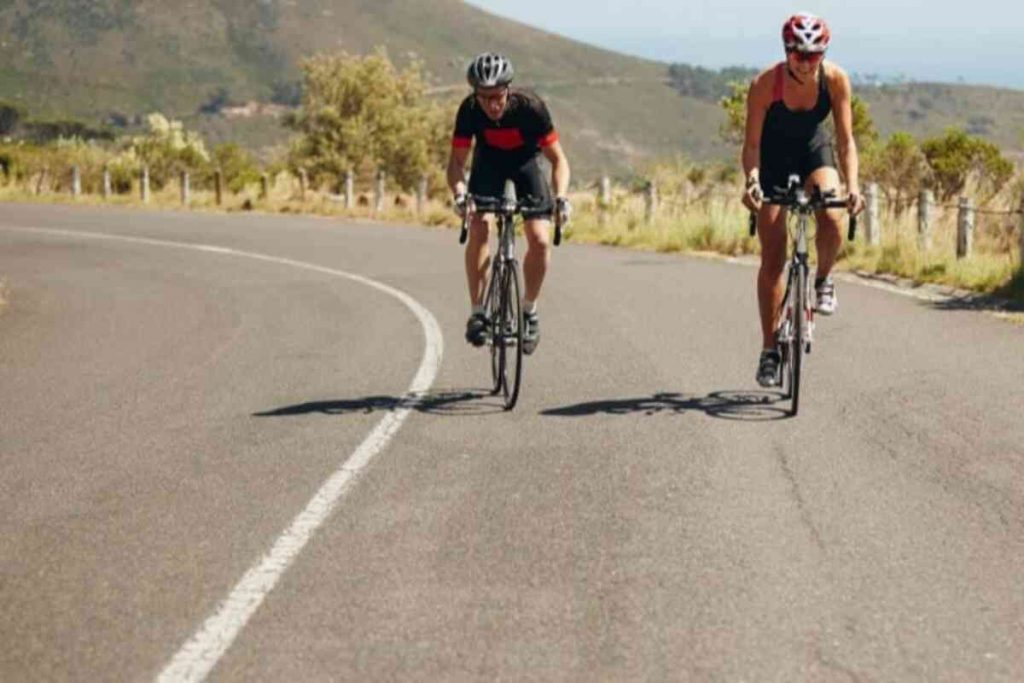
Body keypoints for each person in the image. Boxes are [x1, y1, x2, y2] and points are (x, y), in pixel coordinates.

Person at [741, 13, 866, 387]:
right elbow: (751, 146)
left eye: (816, 55)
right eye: (800, 56)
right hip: (774, 158)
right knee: (773, 257)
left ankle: (824, 279)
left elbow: (845, 142)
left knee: (831, 214)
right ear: (787, 52)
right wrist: (752, 180)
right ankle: (769, 351)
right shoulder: (765, 84)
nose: (808, 63)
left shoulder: (835, 80)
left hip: (814, 149)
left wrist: (853, 185)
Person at [446, 53, 572, 355]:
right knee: (479, 226)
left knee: (540, 239)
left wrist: (562, 198)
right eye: (485, 97)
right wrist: (460, 194)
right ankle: (478, 312)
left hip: (526, 164)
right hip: (488, 165)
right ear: (476, 95)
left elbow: (558, 160)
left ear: (509, 89)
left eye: (498, 96)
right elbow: (456, 163)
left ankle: (529, 311)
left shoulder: (531, 108)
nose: (492, 104)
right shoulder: (469, 111)